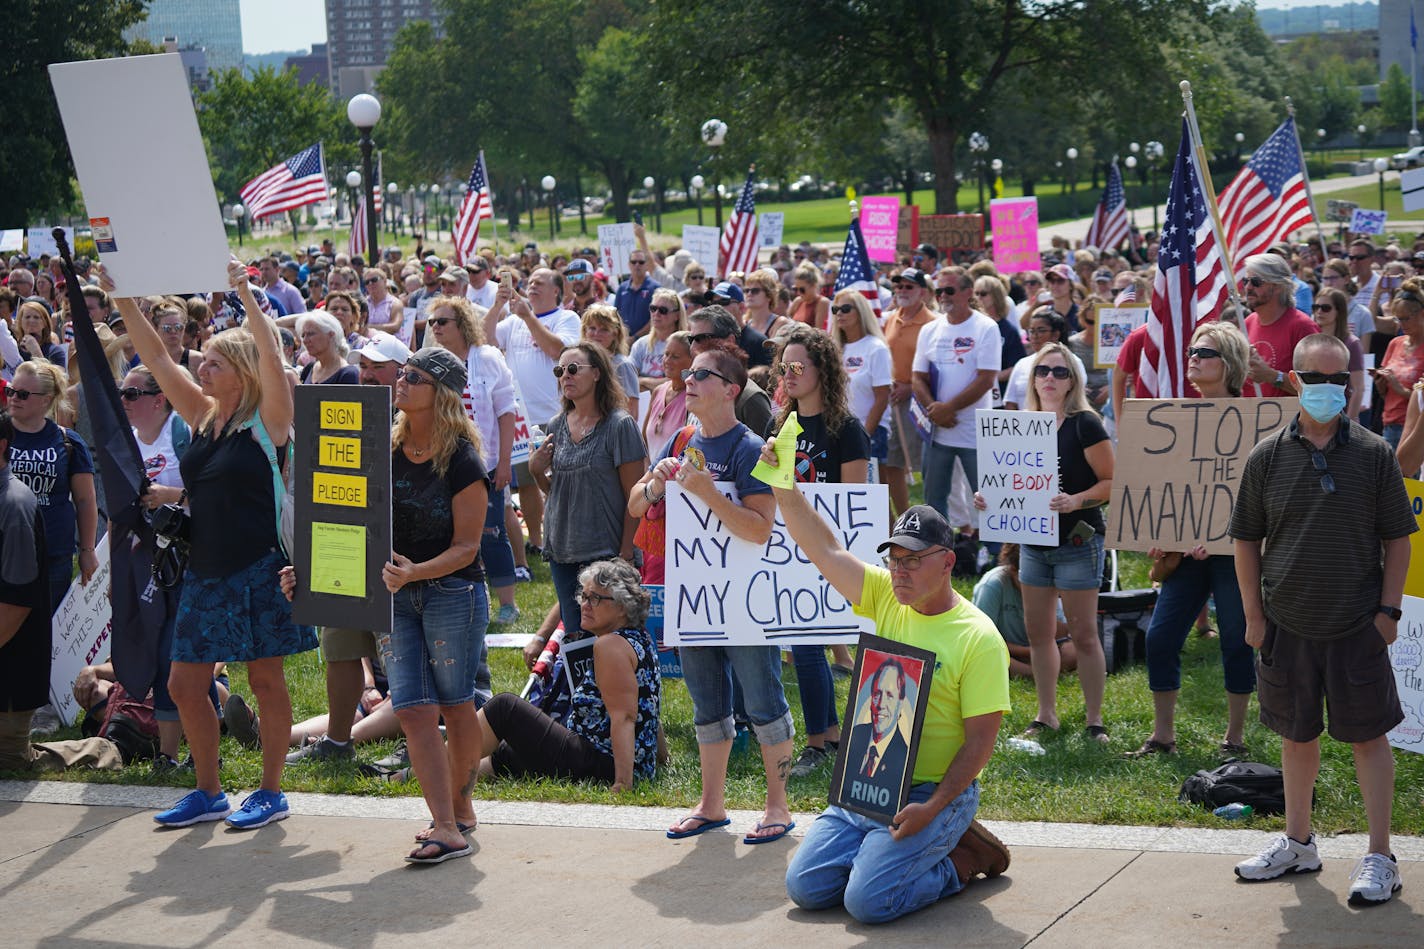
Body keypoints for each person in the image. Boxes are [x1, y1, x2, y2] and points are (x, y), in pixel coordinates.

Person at [103, 259, 315, 831]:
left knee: (266, 680)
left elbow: (272, 355)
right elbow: (157, 360)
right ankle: (209, 790)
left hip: (261, 568)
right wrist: (123, 299)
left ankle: (271, 791)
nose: (202, 368)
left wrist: (244, 290)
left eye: (215, 363)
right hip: (205, 569)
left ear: (241, 371)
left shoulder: (269, 419)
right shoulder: (200, 416)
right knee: (182, 683)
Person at [768, 483, 1011, 923]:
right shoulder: (885, 594)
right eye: (894, 559)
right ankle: (887, 854)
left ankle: (961, 859)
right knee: (805, 888)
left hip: (930, 793)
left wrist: (933, 808)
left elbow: (979, 745)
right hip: (868, 783)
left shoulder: (979, 638)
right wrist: (784, 487)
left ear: (948, 562)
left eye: (913, 559)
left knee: (868, 902)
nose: (899, 570)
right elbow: (824, 549)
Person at [1230, 333, 1412, 906]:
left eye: (1338, 380)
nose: (1327, 390)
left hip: (1359, 624)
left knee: (1368, 738)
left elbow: (1398, 539)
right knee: (1295, 734)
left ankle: (1381, 855)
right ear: (1295, 381)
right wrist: (1253, 614)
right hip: (1286, 622)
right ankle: (1298, 842)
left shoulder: (1374, 454)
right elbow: (1245, 540)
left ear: (1351, 385)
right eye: (1316, 378)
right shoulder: (1265, 456)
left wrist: (1388, 612)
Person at [628, 349, 795, 845]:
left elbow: (761, 529)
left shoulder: (749, 449)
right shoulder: (682, 439)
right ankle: (711, 805)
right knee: (707, 703)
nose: (689, 380)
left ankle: (778, 807)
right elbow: (636, 503)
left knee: (764, 701)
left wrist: (706, 492)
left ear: (731, 390)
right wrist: (657, 486)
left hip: (743, 599)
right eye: (688, 373)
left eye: (702, 374)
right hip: (696, 594)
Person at [382, 346, 491, 863]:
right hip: (396, 594)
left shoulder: (463, 460)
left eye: (415, 377)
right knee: (411, 707)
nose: (401, 382)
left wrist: (416, 573)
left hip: (453, 591)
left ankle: (460, 811)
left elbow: (468, 547)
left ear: (441, 394)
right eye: (401, 373)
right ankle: (446, 825)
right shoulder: (385, 448)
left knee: (455, 703)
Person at [1126, 322, 1254, 759]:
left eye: (1206, 352)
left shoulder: (1257, 421)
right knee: (1159, 638)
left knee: (1237, 639)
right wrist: (1163, 533)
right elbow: (1166, 488)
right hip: (1186, 555)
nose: (1194, 357)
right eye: (1192, 351)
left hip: (1235, 555)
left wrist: (1221, 534)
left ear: (1231, 363)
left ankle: (1234, 739)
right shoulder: (1177, 418)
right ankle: (1163, 737)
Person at [978, 342, 1112, 742]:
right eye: (1042, 371)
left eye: (1060, 371)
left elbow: (1112, 482)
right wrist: (987, 498)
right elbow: (1003, 481)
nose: (1050, 378)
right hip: (1032, 543)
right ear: (1031, 378)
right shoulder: (1018, 424)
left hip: (1077, 541)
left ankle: (1094, 720)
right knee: (1039, 635)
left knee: (1085, 635)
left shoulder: (1084, 424)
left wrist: (1076, 500)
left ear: (1074, 381)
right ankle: (1046, 714)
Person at [765, 327, 870, 777]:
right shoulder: (780, 426)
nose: (787, 375)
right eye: (782, 367)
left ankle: (818, 742)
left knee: (810, 647)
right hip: (790, 549)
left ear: (821, 370)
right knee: (807, 647)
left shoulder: (847, 430)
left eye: (796, 367)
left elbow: (854, 497)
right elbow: (772, 491)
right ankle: (826, 736)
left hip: (832, 551)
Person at [477, 559, 660, 790]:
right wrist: (660, 759)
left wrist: (622, 783)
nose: (585, 605)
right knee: (511, 751)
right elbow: (649, 707)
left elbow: (625, 717)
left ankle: (438, 769)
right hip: (611, 760)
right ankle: (435, 773)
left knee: (504, 708)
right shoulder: (640, 639)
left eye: (595, 598)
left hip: (603, 764)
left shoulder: (611, 646)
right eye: (584, 597)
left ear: (623, 607)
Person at [528, 342, 646, 644]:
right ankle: (583, 693)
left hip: (605, 551)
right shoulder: (555, 425)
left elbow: (635, 495)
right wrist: (536, 470)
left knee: (611, 639)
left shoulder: (620, 425)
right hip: (564, 548)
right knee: (577, 638)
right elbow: (555, 491)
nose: (565, 376)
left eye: (572, 369)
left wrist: (626, 552)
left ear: (596, 373)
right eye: (559, 371)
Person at [425, 296, 520, 629]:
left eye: (442, 322)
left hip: (486, 462)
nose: (435, 327)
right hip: (442, 462)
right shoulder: (430, 362)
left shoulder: (487, 358)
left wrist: (505, 462)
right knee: (450, 534)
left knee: (491, 531)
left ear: (462, 324)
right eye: (432, 322)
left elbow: (506, 412)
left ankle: (508, 603)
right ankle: (462, 596)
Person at [120, 365, 193, 768]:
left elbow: (216, 489)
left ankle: (189, 751)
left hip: (189, 558)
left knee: (177, 653)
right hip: (148, 562)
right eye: (122, 394)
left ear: (158, 398)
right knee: (155, 649)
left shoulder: (181, 432)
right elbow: (120, 511)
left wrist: (173, 495)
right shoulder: (127, 443)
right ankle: (168, 755)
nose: (124, 402)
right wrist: (118, 571)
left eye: (131, 395)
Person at [6, 361, 98, 611]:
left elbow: (85, 500)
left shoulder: (69, 442)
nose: (14, 398)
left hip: (53, 555)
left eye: (23, 394)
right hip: (6, 552)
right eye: (10, 391)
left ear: (46, 400)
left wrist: (87, 549)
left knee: (48, 636)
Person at [914, 266, 1001, 531]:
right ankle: (936, 551)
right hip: (937, 432)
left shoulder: (986, 327)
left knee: (986, 498)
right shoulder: (929, 330)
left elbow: (986, 379)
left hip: (974, 432)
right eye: (939, 291)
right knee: (935, 500)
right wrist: (934, 409)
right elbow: (917, 377)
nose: (943, 296)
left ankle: (993, 552)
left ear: (967, 292)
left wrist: (948, 408)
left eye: (949, 290)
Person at [972, 543, 1076, 679]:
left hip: (1038, 649)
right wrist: (1028, 652)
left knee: (1072, 651)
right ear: (1013, 570)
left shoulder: (1046, 586)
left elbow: (1060, 634)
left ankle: (1039, 670)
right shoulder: (992, 586)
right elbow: (982, 640)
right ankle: (1033, 673)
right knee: (989, 655)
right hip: (1003, 650)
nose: (1037, 583)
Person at [882, 270, 936, 515]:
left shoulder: (933, 323)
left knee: (922, 464)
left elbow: (938, 371)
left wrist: (911, 386)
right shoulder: (891, 318)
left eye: (909, 287)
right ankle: (904, 514)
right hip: (893, 401)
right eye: (899, 286)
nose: (902, 290)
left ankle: (930, 516)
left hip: (920, 400)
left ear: (923, 292)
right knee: (892, 462)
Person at [836, 658, 912, 808]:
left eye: (890, 695)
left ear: (900, 703)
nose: (881, 704)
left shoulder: (904, 756)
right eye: (877, 694)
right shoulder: (854, 736)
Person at [1241, 253, 1318, 399]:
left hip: (1290, 419)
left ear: (1278, 287)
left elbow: (1317, 390)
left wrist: (1273, 376)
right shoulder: (1247, 324)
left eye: (1256, 282)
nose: (1248, 287)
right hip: (1251, 418)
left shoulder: (1303, 327)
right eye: (1246, 281)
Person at [1373, 279, 1424, 449]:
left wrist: (1400, 389)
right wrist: (1382, 384)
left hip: (1415, 429)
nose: (1401, 324)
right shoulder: (1395, 343)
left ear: (1422, 314)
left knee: (1408, 476)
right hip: (1390, 424)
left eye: (1406, 318)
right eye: (1398, 318)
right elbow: (1386, 394)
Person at [1310, 287, 1365, 421]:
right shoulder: (1310, 342)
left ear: (1339, 312)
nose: (1319, 312)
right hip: (1314, 415)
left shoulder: (1352, 343)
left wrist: (1349, 424)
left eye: (1326, 308)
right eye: (1316, 307)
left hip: (1342, 417)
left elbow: (1358, 388)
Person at [581, 305, 640, 417]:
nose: (596, 334)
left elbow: (632, 412)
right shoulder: (581, 363)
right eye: (592, 328)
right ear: (585, 331)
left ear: (615, 334)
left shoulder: (623, 365)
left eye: (604, 329)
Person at [642, 330, 692, 455]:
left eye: (675, 357)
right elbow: (643, 441)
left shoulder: (693, 397)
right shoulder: (658, 391)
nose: (667, 360)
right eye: (666, 354)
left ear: (692, 361)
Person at [629, 288, 686, 390]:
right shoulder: (640, 344)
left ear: (677, 316)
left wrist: (643, 381)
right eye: (653, 308)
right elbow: (629, 379)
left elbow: (677, 382)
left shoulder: (686, 345)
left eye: (663, 310)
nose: (656, 314)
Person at [296, 312, 360, 385]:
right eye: (303, 335)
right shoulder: (309, 369)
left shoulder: (348, 374)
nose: (305, 340)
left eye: (311, 334)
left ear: (331, 335)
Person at [614, 248, 660, 340]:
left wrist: (635, 337)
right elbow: (616, 315)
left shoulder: (655, 288)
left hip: (648, 340)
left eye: (641, 262)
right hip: (624, 340)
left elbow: (657, 318)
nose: (637, 265)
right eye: (633, 262)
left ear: (647, 265)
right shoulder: (622, 288)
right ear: (629, 265)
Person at [16, 301, 66, 368]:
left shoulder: (55, 352)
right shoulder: (15, 350)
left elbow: (55, 377)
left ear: (44, 323)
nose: (31, 320)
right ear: (20, 322)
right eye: (27, 317)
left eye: (36, 317)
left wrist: (36, 352)